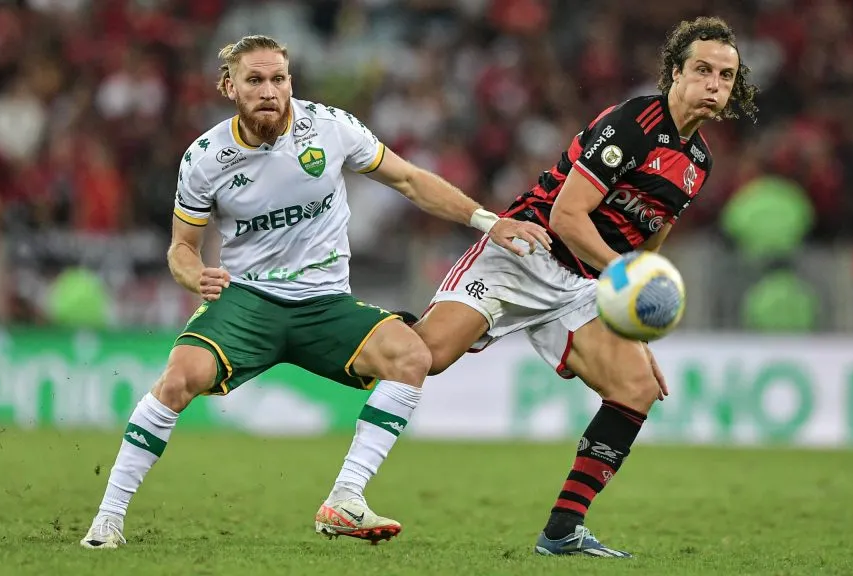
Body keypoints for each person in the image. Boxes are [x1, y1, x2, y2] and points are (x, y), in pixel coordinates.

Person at [80, 34, 549, 549]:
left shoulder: (329, 127)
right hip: (248, 302)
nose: (268, 90)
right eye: (254, 80)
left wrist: (488, 221)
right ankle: (108, 519)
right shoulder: (205, 158)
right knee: (178, 380)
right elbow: (181, 248)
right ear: (229, 86)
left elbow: (410, 180)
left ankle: (345, 498)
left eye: (278, 79)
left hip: (325, 303)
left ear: (290, 81)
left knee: (410, 355)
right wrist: (193, 274)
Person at [410, 16, 759, 557]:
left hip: (583, 284)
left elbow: (647, 248)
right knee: (425, 357)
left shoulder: (698, 164)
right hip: (529, 251)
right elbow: (570, 216)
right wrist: (625, 276)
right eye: (703, 70)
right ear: (674, 73)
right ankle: (332, 325)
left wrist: (634, 326)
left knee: (637, 388)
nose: (715, 84)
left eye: (727, 76)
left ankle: (561, 531)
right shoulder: (632, 123)